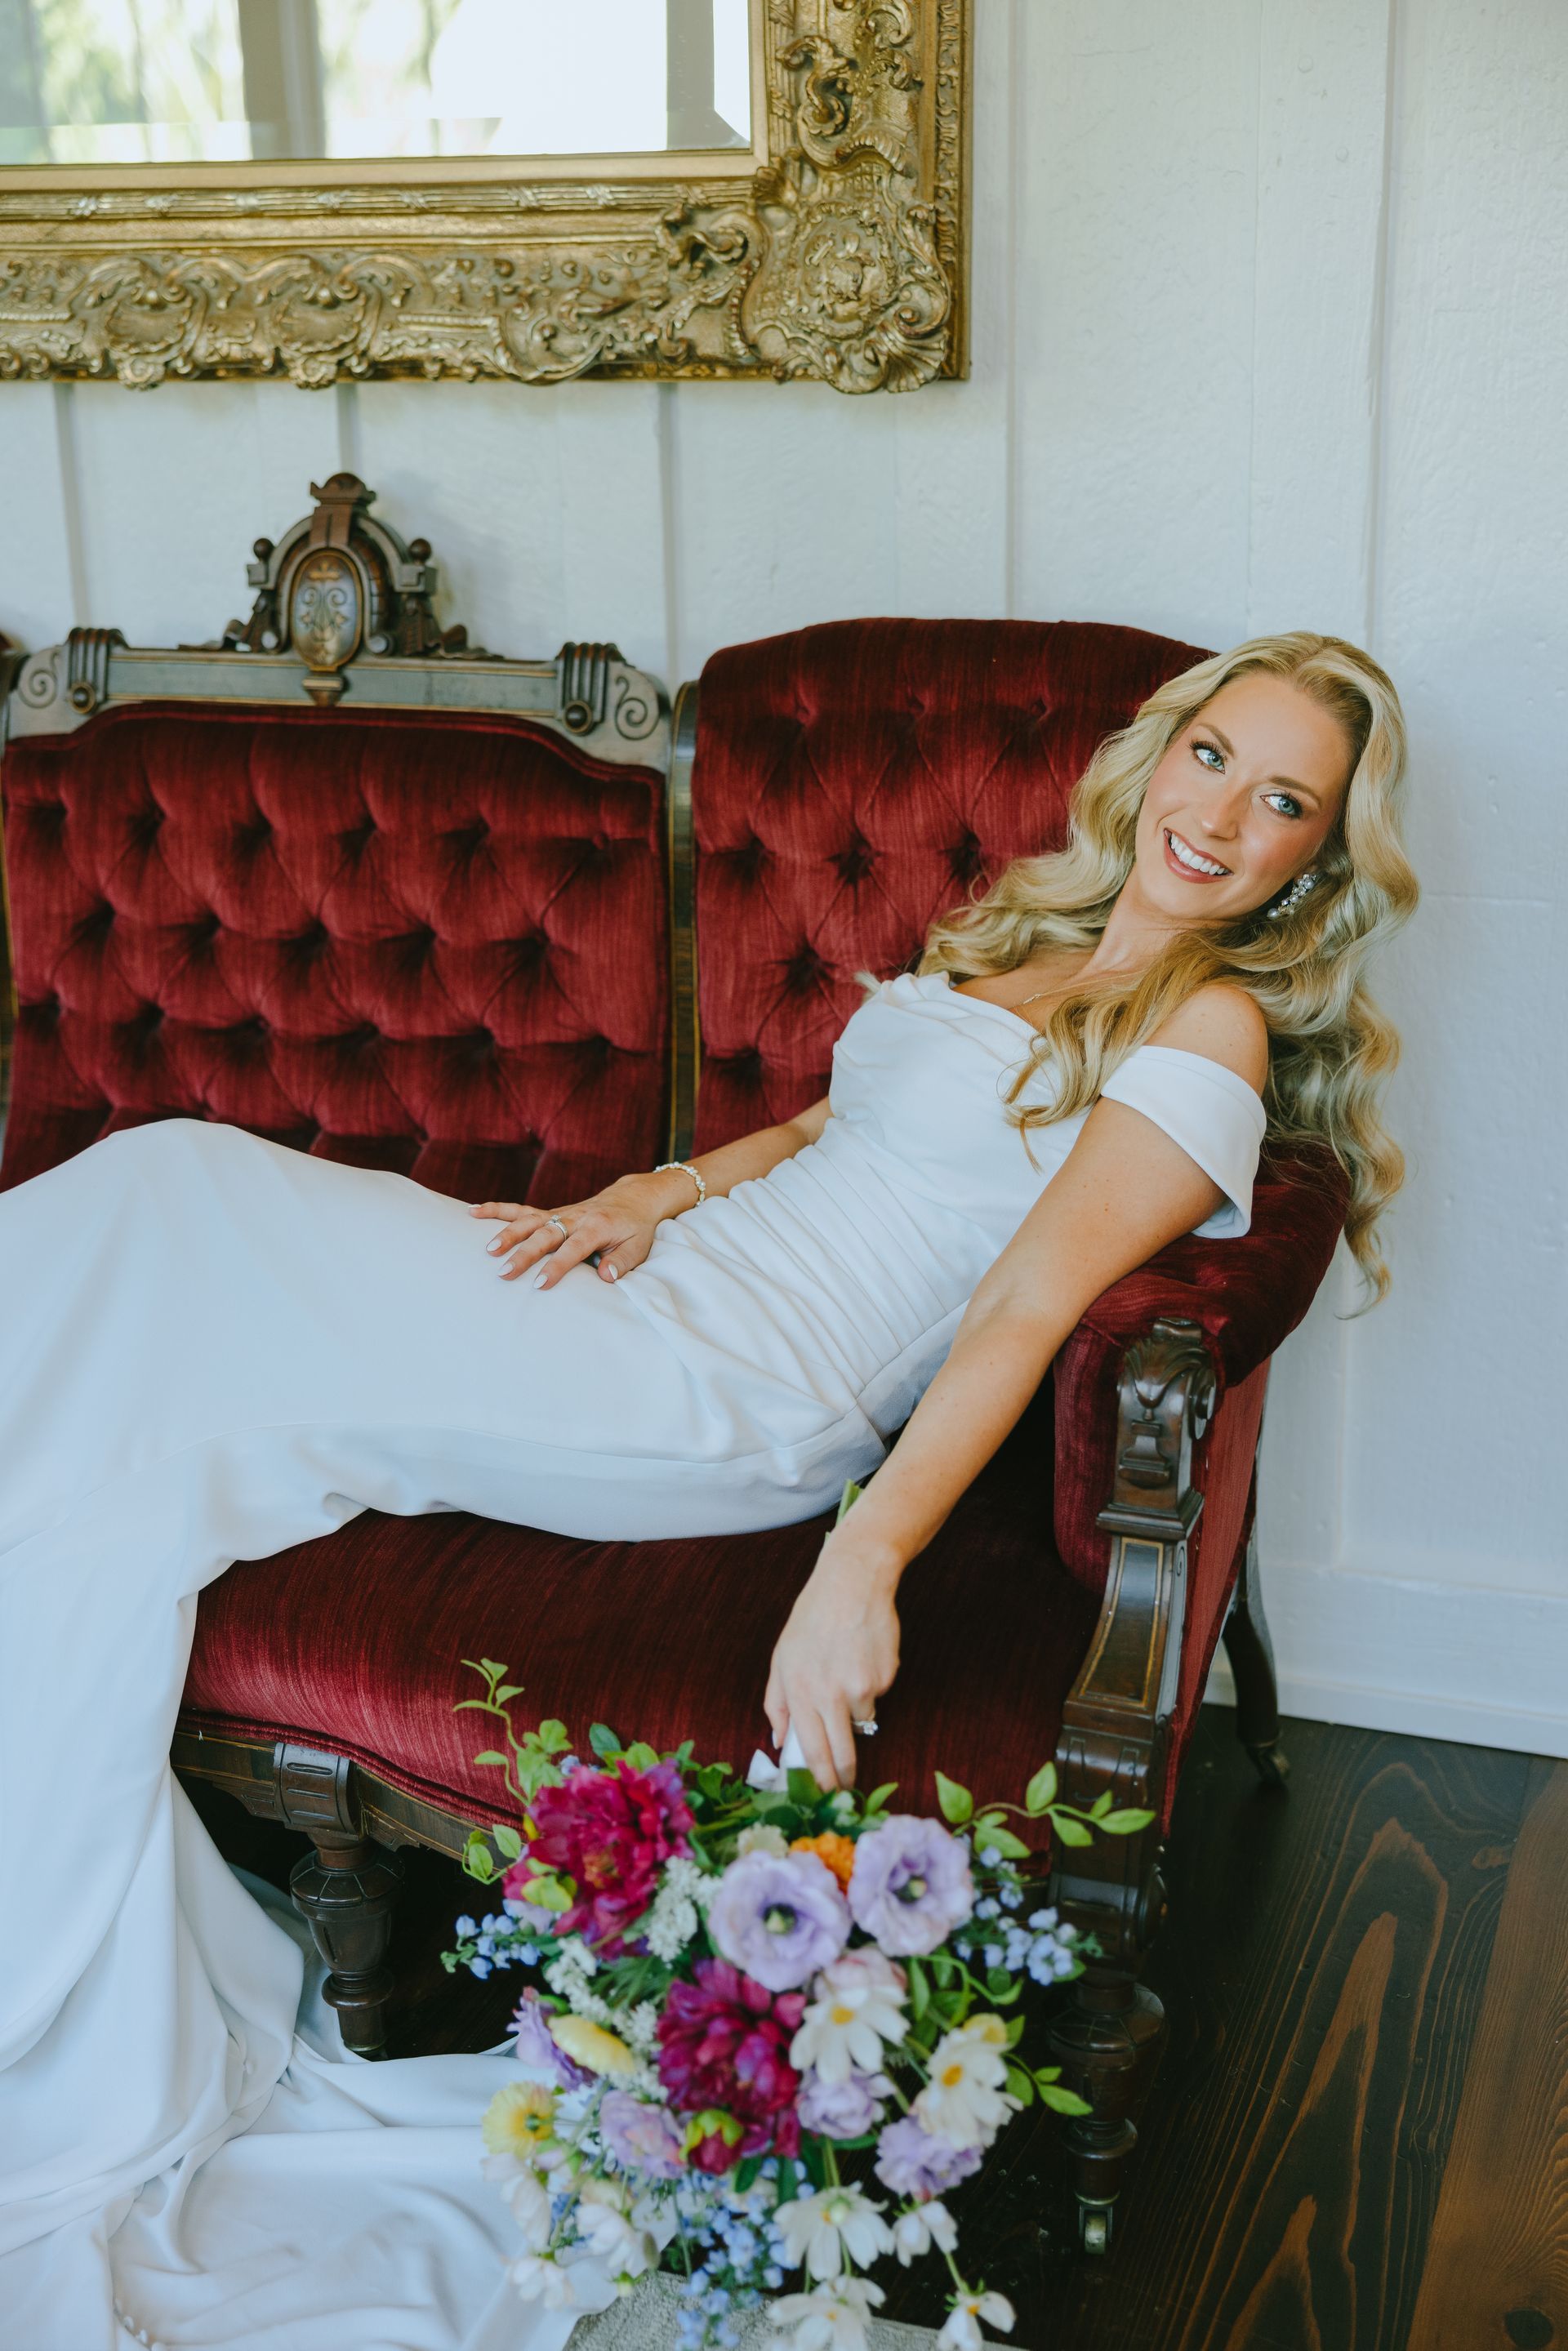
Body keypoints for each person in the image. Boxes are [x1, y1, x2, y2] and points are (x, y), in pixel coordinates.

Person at [0, 632, 1416, 2349]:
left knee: (173, 1199)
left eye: (1284, 804)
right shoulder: (1043, 936)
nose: (1222, 814)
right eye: (1213, 756)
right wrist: (651, 1191)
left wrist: (863, 1557)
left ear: (1317, 862)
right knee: (144, 1334)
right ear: (1157, 752)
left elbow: (1027, 1302)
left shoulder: (1204, 1036)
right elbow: (835, 1133)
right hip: (664, 1290)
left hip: (732, 1394)